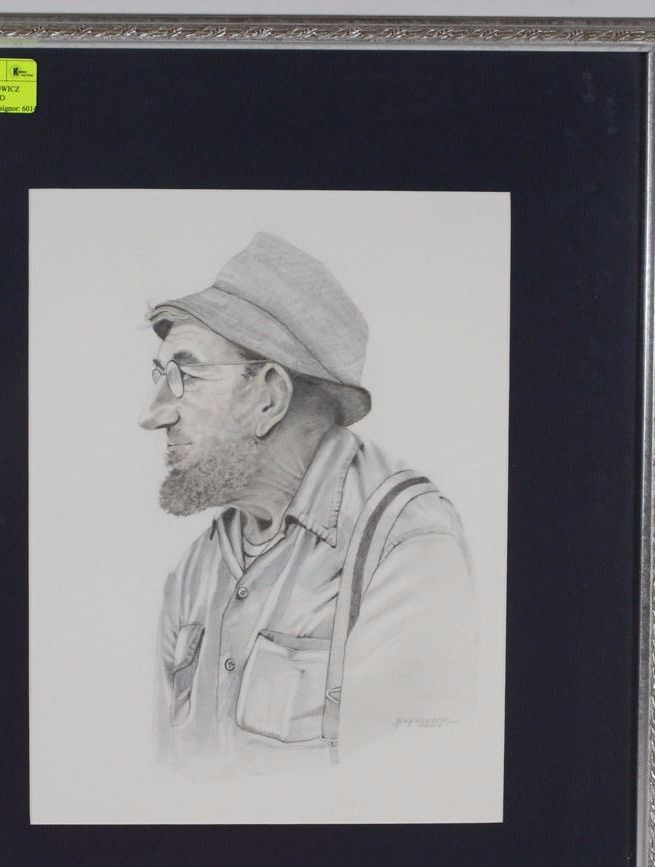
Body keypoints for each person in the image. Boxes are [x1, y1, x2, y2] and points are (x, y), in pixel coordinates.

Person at [139, 232, 477, 773]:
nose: (153, 414)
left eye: (187, 375)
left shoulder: (407, 544)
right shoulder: (195, 572)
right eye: (161, 377)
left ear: (270, 396)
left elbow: (408, 788)